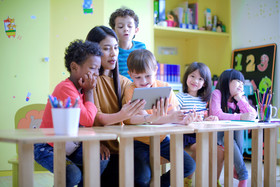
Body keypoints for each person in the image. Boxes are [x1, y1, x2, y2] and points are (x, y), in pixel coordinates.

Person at [34, 39, 108, 187]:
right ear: (74, 67)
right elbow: (88, 119)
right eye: (93, 68)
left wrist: (94, 143)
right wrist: (90, 91)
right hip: (47, 147)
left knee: (100, 157)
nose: (96, 74)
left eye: (98, 69)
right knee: (72, 174)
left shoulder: (82, 89)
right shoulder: (66, 89)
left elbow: (87, 123)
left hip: (71, 146)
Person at [123, 49, 196, 187]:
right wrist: (168, 118)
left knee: (188, 165)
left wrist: (184, 119)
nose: (143, 81)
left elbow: (174, 115)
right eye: (138, 77)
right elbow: (142, 118)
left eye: (148, 76)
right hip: (139, 142)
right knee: (143, 176)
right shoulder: (131, 90)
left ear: (156, 70)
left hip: (162, 140)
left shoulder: (164, 87)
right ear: (130, 74)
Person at [86, 26, 145, 187]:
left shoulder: (124, 82)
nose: (113, 53)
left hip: (118, 148)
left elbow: (132, 119)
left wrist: (151, 115)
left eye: (116, 48)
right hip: (94, 148)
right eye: (106, 49)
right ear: (93, 51)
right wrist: (123, 114)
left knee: (142, 174)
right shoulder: (89, 81)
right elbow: (95, 118)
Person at [176, 62, 224, 186]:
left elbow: (203, 119)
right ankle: (188, 178)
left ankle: (214, 180)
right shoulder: (179, 97)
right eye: (192, 76)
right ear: (186, 77)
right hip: (185, 135)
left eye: (200, 78)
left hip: (200, 134)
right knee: (202, 146)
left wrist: (209, 119)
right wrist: (188, 119)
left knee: (220, 151)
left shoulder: (204, 101)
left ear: (205, 83)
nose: (195, 81)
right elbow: (175, 117)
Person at [209, 69, 257, 187]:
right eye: (237, 81)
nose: (241, 84)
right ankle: (243, 174)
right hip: (218, 135)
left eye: (242, 82)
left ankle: (238, 168)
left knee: (238, 130)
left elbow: (252, 115)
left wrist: (240, 99)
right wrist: (240, 116)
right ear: (227, 81)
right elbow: (217, 114)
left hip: (233, 136)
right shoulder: (217, 93)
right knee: (228, 135)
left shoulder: (239, 97)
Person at [109, 8, 146, 81]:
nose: (126, 29)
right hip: (121, 89)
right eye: (120, 27)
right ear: (113, 31)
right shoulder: (112, 51)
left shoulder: (141, 47)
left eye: (130, 26)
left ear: (136, 30)